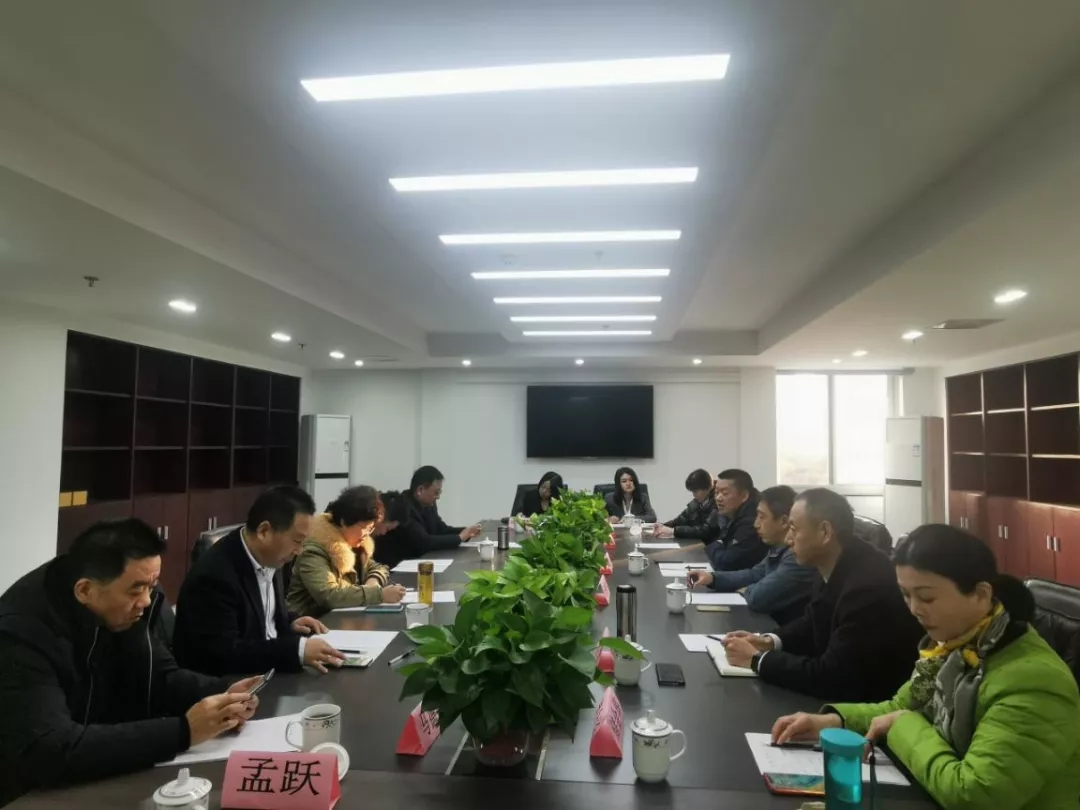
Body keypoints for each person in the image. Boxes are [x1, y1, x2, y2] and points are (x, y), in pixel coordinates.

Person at [771, 524, 1080, 810]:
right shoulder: (956, 644)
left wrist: (903, 725)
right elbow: (899, 707)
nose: (914, 610)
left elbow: (972, 794)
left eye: (927, 598)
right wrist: (833, 721)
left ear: (981, 594)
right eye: (906, 595)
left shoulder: (1035, 682)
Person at [0, 519, 261, 804]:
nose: (147, 601)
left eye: (152, 585)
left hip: (106, 772)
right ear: (85, 591)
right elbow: (51, 748)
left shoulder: (125, 605)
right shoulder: (20, 634)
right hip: (32, 795)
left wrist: (223, 692)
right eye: (136, 591)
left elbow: (158, 676)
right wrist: (183, 731)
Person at [721, 488, 922, 701]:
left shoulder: (867, 587)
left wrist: (757, 660)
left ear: (825, 532)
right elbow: (812, 621)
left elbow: (832, 676)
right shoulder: (834, 560)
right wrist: (767, 641)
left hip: (869, 705)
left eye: (794, 529)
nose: (788, 539)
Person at [174, 485, 346, 676]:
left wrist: (288, 622)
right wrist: (296, 650)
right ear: (264, 531)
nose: (299, 551)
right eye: (297, 541)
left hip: (268, 672)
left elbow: (259, 618)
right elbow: (224, 656)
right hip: (234, 685)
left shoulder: (270, 556)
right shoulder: (214, 576)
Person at [688, 485, 817, 624]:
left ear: (784, 522)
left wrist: (748, 589)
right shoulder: (778, 548)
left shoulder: (796, 557)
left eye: (761, 517)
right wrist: (712, 578)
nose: (756, 524)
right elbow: (755, 574)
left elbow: (758, 598)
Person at [287, 486, 407, 618]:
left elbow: (378, 567)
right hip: (310, 622)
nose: (367, 534)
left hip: (343, 618)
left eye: (371, 528)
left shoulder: (355, 543)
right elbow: (329, 595)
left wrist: (373, 581)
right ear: (344, 521)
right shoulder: (314, 550)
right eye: (364, 527)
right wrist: (379, 595)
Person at [376, 466, 482, 570]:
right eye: (436, 492)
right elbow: (423, 542)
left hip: (420, 561)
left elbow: (440, 529)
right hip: (396, 567)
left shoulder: (429, 504)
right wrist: (459, 538)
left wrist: (467, 531)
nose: (438, 497)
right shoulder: (404, 507)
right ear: (420, 490)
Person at [706, 469, 767, 571]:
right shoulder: (733, 512)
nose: (718, 498)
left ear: (744, 496)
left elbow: (727, 563)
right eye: (716, 493)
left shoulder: (751, 521)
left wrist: (714, 545)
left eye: (725, 493)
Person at [654, 468, 720, 541]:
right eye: (692, 491)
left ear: (709, 487)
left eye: (696, 491)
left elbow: (705, 531)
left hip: (711, 545)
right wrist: (663, 526)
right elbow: (681, 520)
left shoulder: (718, 503)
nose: (694, 495)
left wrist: (674, 531)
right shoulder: (697, 502)